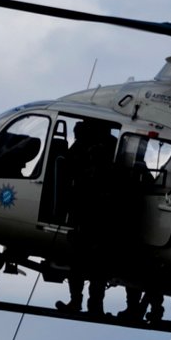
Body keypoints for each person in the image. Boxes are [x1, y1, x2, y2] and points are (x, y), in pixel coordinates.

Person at [56, 122, 119, 316]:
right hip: (96, 222)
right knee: (94, 268)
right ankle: (91, 305)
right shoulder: (110, 148)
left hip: (91, 222)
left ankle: (82, 303)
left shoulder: (93, 156)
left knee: (83, 266)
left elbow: (71, 175)